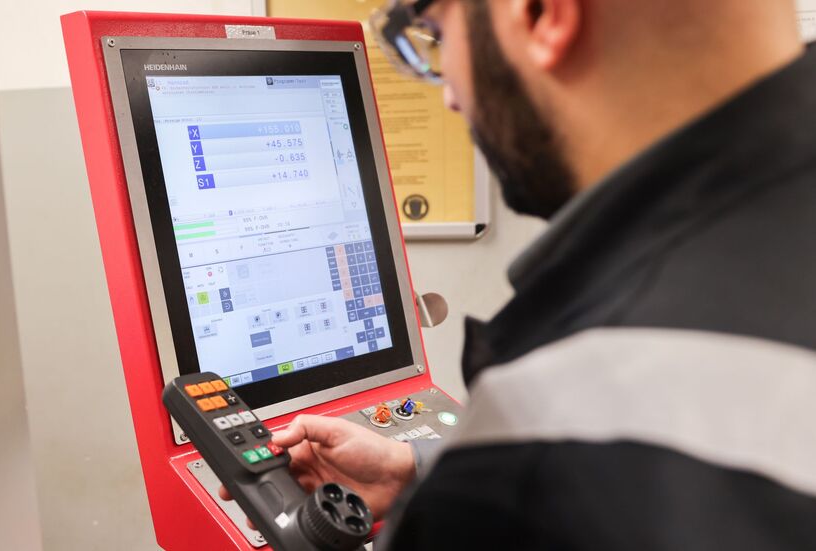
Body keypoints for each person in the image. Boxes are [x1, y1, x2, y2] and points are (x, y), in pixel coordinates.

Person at [224, 0, 816, 547]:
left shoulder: (534, 458)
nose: (450, 95)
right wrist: (419, 471)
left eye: (437, 32)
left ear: (540, 14)